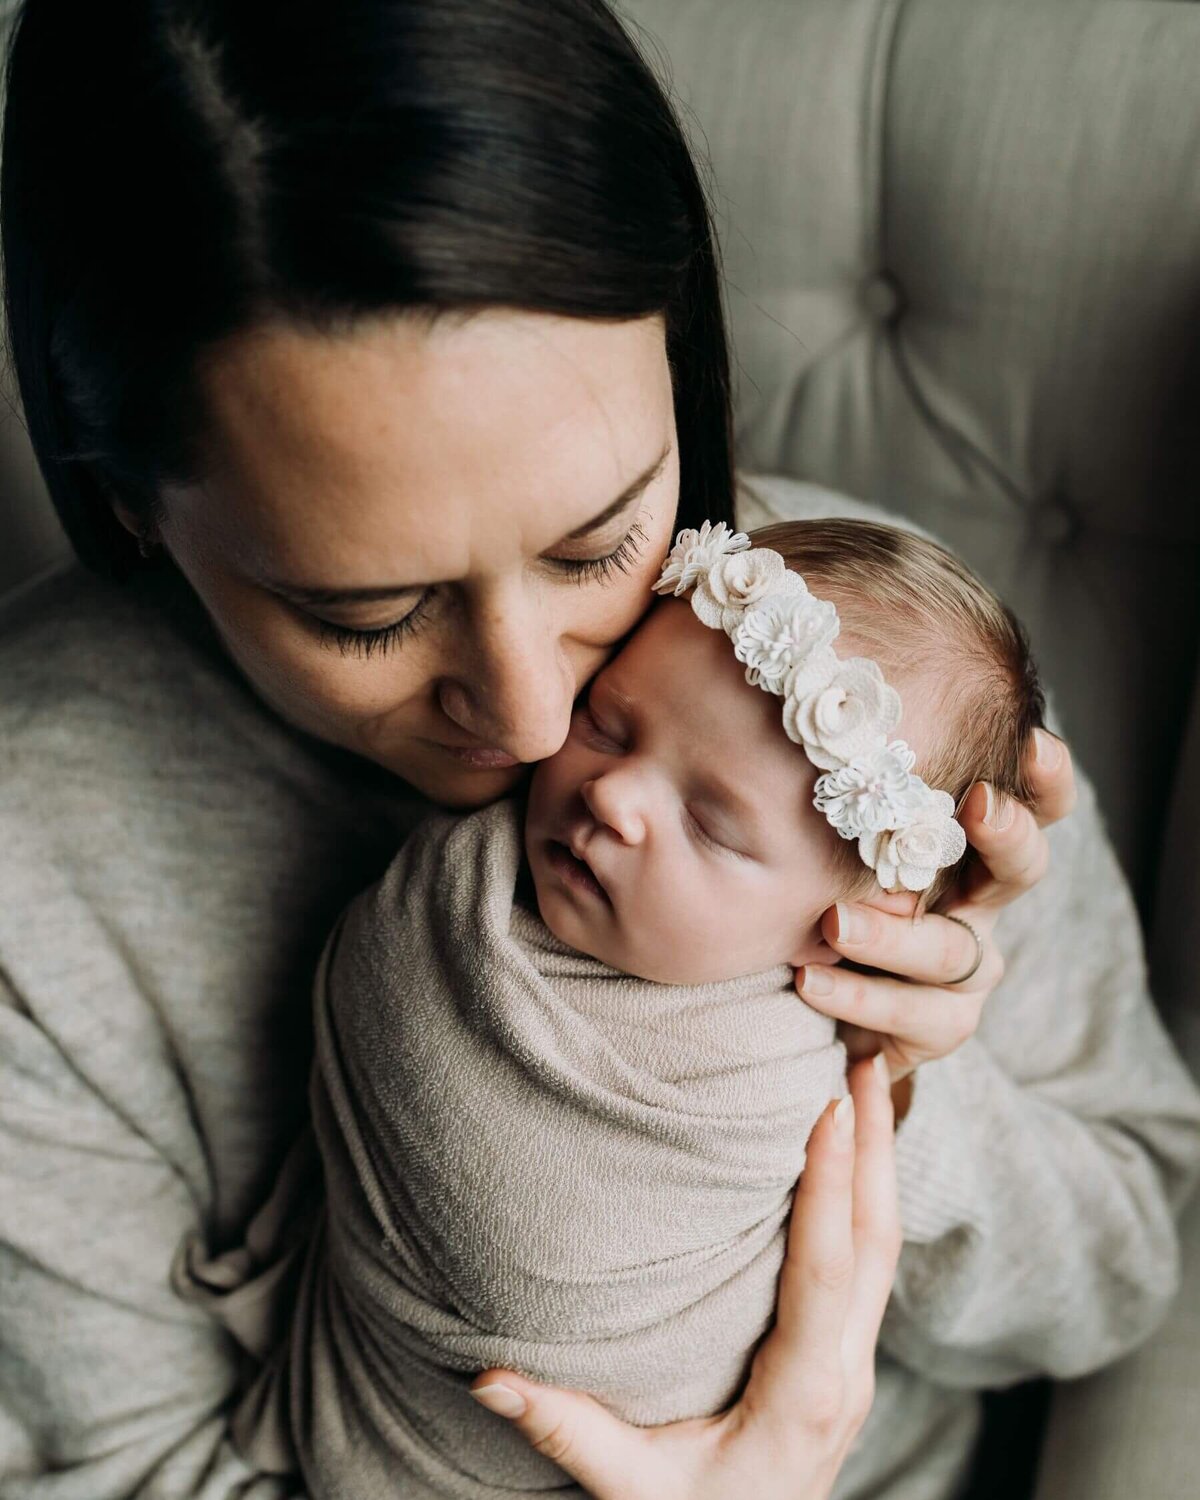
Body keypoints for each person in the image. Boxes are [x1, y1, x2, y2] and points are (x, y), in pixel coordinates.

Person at [0, 3, 1192, 1499]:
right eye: (370, 612)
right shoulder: (31, 870)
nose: (534, 721)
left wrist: (885, 1082)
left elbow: (1125, 1263)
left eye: (598, 542)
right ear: (130, 509)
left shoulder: (872, 679)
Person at [168, 516, 1094, 1500]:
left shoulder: (795, 1058)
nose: (613, 794)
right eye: (609, 723)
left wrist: (898, 1090)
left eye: (711, 822)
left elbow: (1116, 1272)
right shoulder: (453, 895)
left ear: (857, 914)